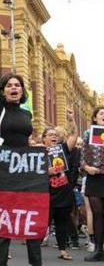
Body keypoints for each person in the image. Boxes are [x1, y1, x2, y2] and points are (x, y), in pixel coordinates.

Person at [0, 36, 42, 266]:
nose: (13, 88)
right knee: (3, 222)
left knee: (30, 220)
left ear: (22, 90)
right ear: (4, 91)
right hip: (4, 171)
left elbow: (24, 139)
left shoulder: (27, 114)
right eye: (9, 85)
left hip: (26, 173)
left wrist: (35, 148)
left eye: (17, 85)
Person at [42, 110, 78, 261]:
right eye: (50, 135)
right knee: (43, 222)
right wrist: (46, 172)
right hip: (47, 195)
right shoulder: (38, 153)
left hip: (64, 193)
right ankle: (35, 250)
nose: (54, 137)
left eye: (55, 135)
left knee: (62, 223)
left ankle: (63, 250)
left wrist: (72, 120)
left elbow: (74, 136)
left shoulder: (62, 149)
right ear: (43, 139)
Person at [81, 106, 104, 261]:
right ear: (95, 118)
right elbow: (82, 156)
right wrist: (87, 167)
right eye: (102, 113)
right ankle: (98, 249)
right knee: (98, 214)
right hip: (94, 179)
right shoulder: (88, 134)